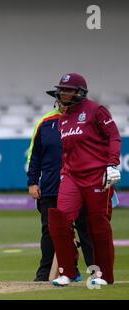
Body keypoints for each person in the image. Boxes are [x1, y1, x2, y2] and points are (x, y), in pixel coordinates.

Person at [47, 73, 121, 286]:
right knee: (59, 219)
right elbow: (69, 151)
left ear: (79, 92)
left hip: (97, 174)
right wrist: (64, 171)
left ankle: (104, 275)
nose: (63, 94)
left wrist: (112, 164)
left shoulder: (96, 111)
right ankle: (67, 272)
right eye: (61, 90)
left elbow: (114, 137)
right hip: (71, 175)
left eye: (68, 90)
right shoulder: (63, 119)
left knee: (98, 224)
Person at [27, 99, 94, 282]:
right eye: (61, 99)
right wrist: (33, 182)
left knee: (85, 229)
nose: (65, 103)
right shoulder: (46, 122)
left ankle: (96, 273)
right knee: (50, 231)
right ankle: (44, 273)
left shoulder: (86, 120)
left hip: (80, 186)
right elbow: (35, 155)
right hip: (51, 187)